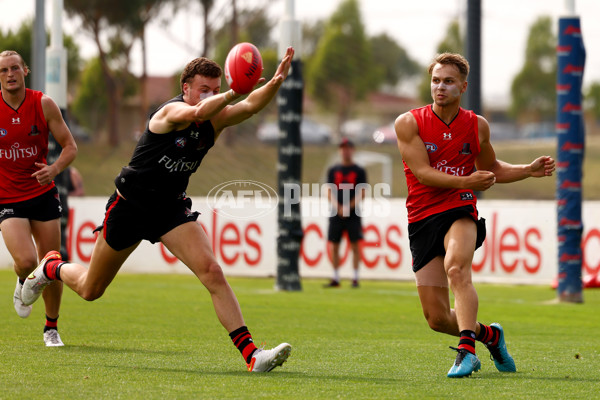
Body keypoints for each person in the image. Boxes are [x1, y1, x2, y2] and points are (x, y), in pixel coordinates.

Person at [22, 47, 295, 372]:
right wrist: (234, 92)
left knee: (213, 272)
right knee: (90, 289)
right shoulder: (168, 115)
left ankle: (252, 356)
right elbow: (202, 111)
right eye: (203, 90)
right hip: (130, 208)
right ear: (186, 90)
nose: (210, 95)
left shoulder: (215, 119)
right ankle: (52, 266)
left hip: (170, 209)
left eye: (216, 89)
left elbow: (249, 106)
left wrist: (276, 82)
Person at [394, 53, 555, 378]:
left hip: (459, 208)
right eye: (436, 80)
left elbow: (491, 168)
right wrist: (467, 180)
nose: (440, 87)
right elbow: (423, 174)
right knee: (437, 319)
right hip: (422, 216)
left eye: (448, 81)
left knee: (457, 269)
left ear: (463, 86)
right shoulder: (409, 122)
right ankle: (489, 336)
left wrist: (527, 170)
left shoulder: (476, 125)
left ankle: (466, 352)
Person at [0, 50, 78, 346]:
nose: (10, 74)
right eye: (4, 70)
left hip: (42, 192)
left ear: (25, 70)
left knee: (51, 264)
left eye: (15, 68)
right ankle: (22, 280)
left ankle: (51, 327)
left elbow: (70, 146)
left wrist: (55, 168)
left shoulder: (43, 103)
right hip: (7, 196)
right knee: (26, 261)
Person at [324, 138, 367, 288]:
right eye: (343, 148)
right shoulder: (333, 170)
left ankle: (355, 278)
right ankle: (335, 277)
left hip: (353, 213)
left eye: (348, 148)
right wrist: (338, 206)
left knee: (355, 245)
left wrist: (348, 207)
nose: (345, 151)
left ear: (352, 150)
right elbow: (328, 190)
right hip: (336, 213)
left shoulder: (359, 171)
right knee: (334, 245)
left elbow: (362, 192)